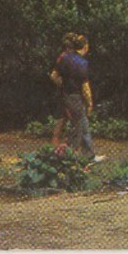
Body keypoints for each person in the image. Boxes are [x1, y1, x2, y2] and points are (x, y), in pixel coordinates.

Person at [48, 32, 99, 160]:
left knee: (81, 124)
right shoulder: (81, 63)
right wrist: (90, 103)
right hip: (75, 97)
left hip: (65, 94)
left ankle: (89, 154)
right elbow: (85, 87)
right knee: (77, 127)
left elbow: (54, 75)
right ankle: (68, 155)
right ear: (85, 47)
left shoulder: (65, 58)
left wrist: (63, 86)